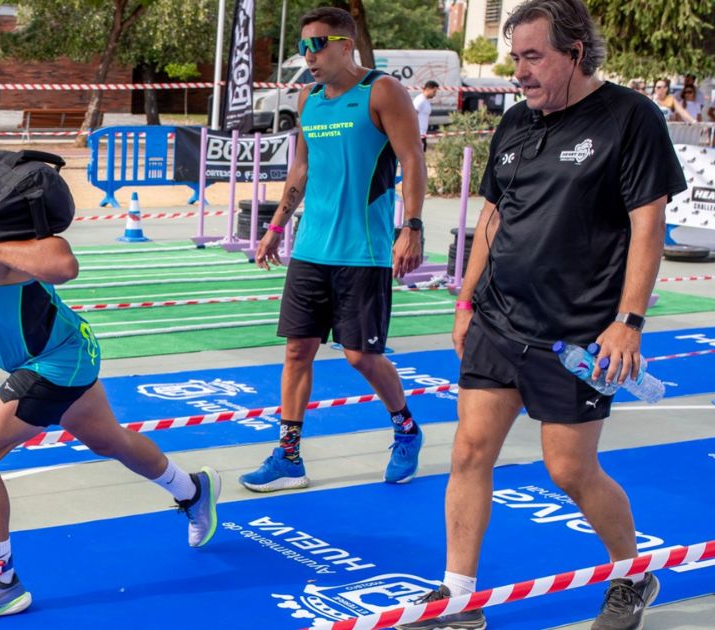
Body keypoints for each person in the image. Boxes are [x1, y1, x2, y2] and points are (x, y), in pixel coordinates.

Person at [395, 1, 686, 629]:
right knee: (470, 452)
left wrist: (628, 321)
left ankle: (633, 576)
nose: (520, 72)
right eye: (515, 57)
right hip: (498, 320)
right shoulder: (517, 123)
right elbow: (494, 217)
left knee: (568, 469)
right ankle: (460, 600)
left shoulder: (630, 119)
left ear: (575, 51)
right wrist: (466, 300)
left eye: (533, 57)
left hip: (577, 335)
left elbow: (648, 227)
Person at [0, 144, 222, 622]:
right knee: (110, 442)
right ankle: (193, 489)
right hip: (63, 352)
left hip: (55, 362)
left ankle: (1, 581)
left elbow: (64, 264)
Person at [247, 6, 427, 492]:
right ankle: (288, 457)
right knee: (296, 351)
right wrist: (275, 226)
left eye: (318, 44)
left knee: (360, 357)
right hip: (311, 249)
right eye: (303, 46)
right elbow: (300, 170)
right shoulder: (308, 99)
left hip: (362, 251)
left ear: (347, 45)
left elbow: (412, 158)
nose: (309, 55)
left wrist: (412, 227)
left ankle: (407, 429)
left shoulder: (381, 90)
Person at [412, 80, 440, 151]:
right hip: (418, 134)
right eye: (434, 91)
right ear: (427, 89)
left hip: (422, 134)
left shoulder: (425, 100)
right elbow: (413, 115)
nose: (435, 94)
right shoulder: (420, 100)